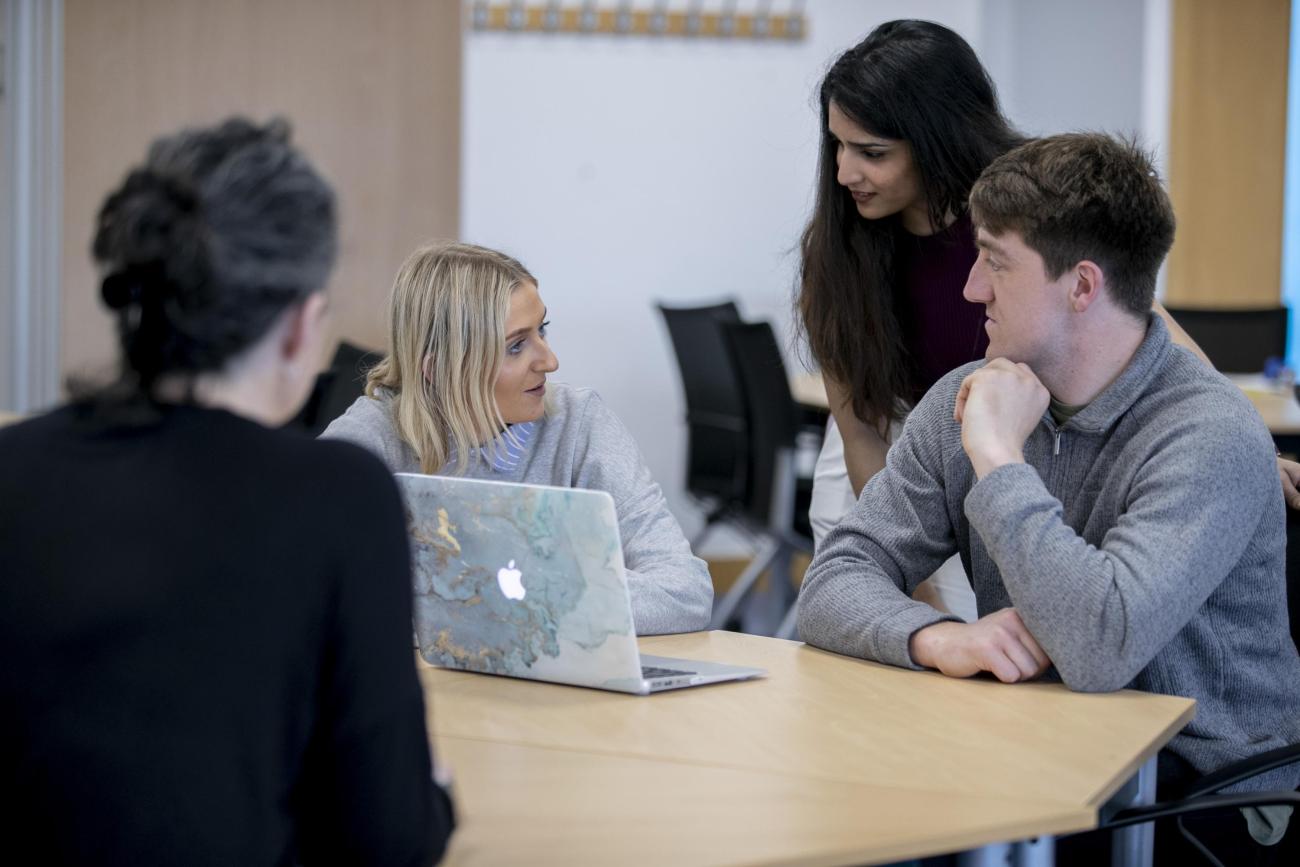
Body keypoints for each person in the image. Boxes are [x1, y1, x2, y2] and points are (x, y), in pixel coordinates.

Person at [797, 133, 1300, 864]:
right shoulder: (964, 400)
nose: (972, 287)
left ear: (1083, 286)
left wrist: (999, 460)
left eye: (995, 261)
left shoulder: (1209, 435)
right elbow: (832, 578)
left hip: (1202, 796)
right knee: (856, 825)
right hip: (1036, 751)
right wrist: (937, 637)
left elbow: (1100, 645)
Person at [0, 119, 454, 865]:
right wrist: (433, 790)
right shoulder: (338, 497)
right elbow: (391, 839)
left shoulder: (12, 466)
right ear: (301, 327)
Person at [797, 19, 1300, 620]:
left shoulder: (1024, 206)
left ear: (935, 139)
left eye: (872, 153)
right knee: (888, 613)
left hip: (1002, 431)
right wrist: (924, 610)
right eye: (837, 147)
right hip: (904, 437)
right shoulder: (840, 252)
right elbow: (863, 437)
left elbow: (1143, 327)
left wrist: (1239, 448)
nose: (845, 173)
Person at [321, 241, 712, 636]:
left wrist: (503, 603)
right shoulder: (370, 441)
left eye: (542, 329)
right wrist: (543, 603)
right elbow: (302, 587)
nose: (549, 361)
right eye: (516, 346)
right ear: (439, 368)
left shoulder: (579, 424)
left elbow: (684, 592)